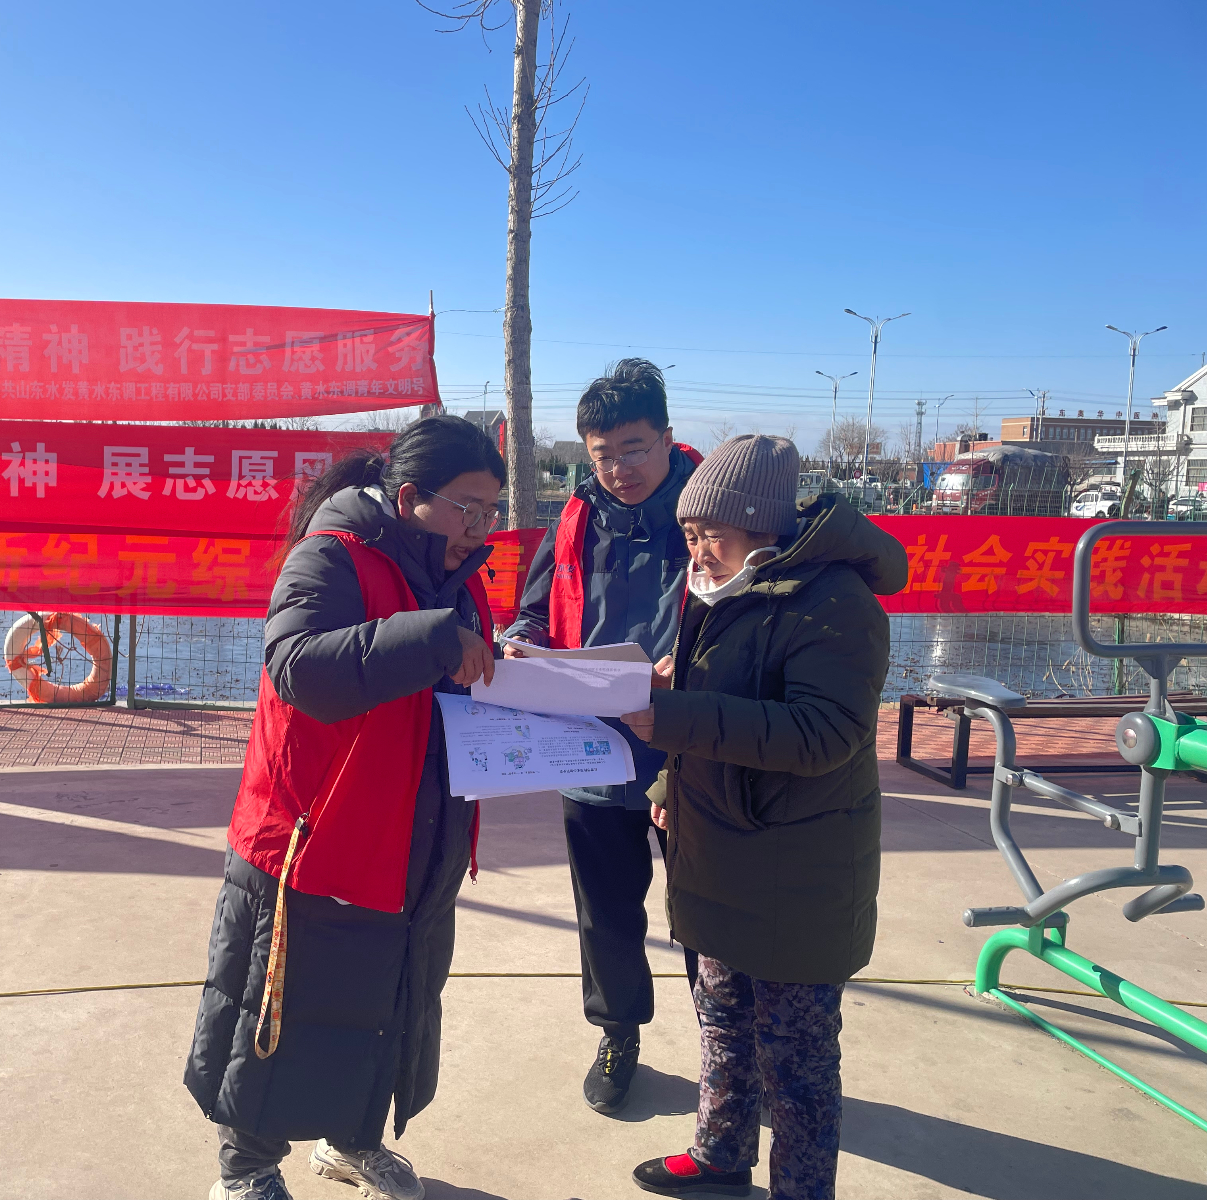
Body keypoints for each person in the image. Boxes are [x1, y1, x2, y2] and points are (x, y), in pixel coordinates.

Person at [184, 414, 506, 1200]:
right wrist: (432, 637)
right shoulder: (331, 557)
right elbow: (299, 669)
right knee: (281, 1010)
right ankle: (245, 1171)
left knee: (386, 1007)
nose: (481, 528)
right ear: (411, 496)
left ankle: (350, 1140)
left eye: (492, 511)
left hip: (417, 838)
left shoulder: (462, 581)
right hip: (314, 839)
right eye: (468, 508)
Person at [617, 435, 906, 1200]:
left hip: (796, 874)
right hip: (719, 854)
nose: (698, 551)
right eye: (689, 534)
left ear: (764, 526)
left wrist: (672, 715)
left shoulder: (836, 602)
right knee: (721, 1022)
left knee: (796, 1064)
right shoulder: (722, 588)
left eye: (711, 533)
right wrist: (669, 781)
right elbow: (717, 701)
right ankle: (720, 1155)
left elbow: (823, 734)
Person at [502, 358, 704, 1114]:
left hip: (689, 747)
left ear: (667, 439)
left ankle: (729, 1047)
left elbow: (753, 615)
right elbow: (533, 612)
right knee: (606, 912)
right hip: (589, 749)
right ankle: (618, 1033)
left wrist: (693, 664)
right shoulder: (576, 518)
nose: (619, 469)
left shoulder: (712, 514)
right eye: (603, 454)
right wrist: (521, 646)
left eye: (634, 448)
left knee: (707, 911)